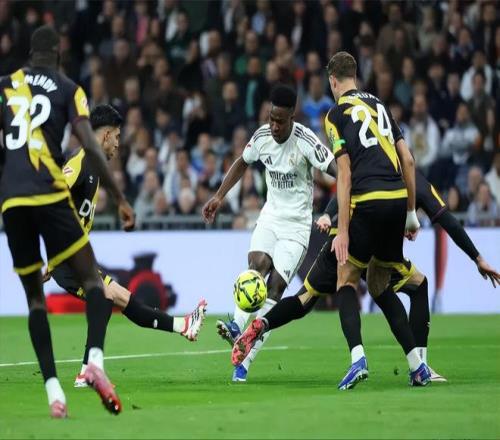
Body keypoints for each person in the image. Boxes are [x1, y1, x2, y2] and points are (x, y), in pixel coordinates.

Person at [233, 51, 428, 389]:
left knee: (343, 282)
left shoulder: (335, 114)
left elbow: (345, 173)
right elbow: (408, 160)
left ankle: (357, 360)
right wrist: (411, 213)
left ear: (333, 80)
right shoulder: (380, 106)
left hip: (365, 204)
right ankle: (417, 366)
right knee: (380, 287)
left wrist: (342, 230)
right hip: (396, 200)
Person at [232, 169, 500, 382]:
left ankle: (263, 323)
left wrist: (328, 215)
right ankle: (419, 365)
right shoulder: (414, 180)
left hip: (341, 241)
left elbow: (346, 181)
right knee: (412, 286)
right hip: (375, 251)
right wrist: (477, 257)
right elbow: (447, 221)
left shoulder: (368, 166)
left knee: (305, 299)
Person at [0, 26, 134, 417]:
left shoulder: (6, 85)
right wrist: (120, 198)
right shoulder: (69, 88)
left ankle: (54, 392)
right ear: (58, 55)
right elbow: (89, 143)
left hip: (13, 201)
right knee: (94, 283)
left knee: (35, 301)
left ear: (29, 54)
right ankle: (95, 363)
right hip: (50, 192)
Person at [45, 105, 207, 387]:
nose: (119, 144)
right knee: (104, 298)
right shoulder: (80, 162)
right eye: (117, 136)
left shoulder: (95, 165)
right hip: (68, 256)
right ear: (105, 135)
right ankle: (88, 370)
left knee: (122, 297)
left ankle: (183, 326)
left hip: (76, 255)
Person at [202, 84, 336, 382]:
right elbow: (242, 162)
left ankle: (244, 361)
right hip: (271, 217)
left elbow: (337, 169)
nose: (274, 126)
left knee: (275, 289)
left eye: (280, 121)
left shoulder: (305, 140)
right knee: (257, 264)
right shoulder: (262, 136)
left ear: (292, 118)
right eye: (271, 118)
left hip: (297, 226)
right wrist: (219, 196)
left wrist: (341, 199)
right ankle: (236, 326)